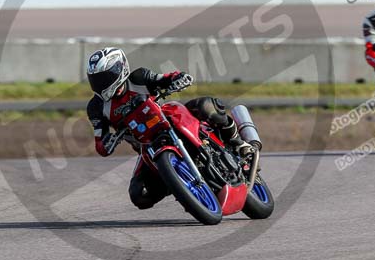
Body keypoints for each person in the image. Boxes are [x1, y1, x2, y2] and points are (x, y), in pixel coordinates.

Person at [85, 47, 251, 210]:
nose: (100, 84)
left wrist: (179, 78)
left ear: (118, 69)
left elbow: (165, 78)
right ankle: (176, 182)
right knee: (139, 195)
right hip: (147, 146)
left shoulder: (138, 77)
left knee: (205, 106)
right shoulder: (96, 107)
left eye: (103, 78)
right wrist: (108, 142)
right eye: (95, 79)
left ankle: (237, 142)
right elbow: (100, 143)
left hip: (166, 120)